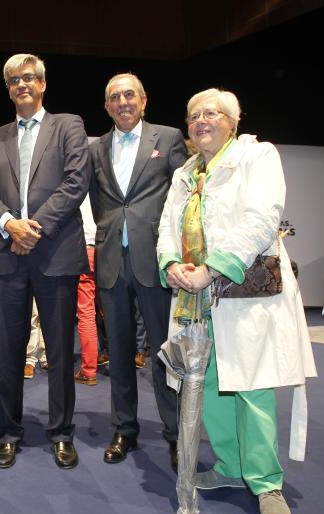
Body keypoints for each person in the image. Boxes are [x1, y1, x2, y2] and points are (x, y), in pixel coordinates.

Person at [156, 88, 317, 514]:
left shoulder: (257, 156)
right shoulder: (186, 172)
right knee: (207, 383)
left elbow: (262, 217)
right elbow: (168, 225)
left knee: (252, 385)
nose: (201, 121)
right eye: (193, 116)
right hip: (193, 294)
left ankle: (266, 482)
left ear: (233, 120)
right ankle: (229, 466)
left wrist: (211, 269)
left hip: (240, 291)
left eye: (211, 113)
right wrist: (170, 263)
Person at [0, 53, 90, 470]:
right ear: (8, 88)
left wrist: (34, 228)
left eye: (29, 78)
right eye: (13, 80)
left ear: (43, 84)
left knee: (61, 352)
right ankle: (7, 431)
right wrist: (11, 224)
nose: (21, 85)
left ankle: (61, 433)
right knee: (8, 351)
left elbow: (76, 181)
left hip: (54, 253)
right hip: (9, 254)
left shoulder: (68, 125)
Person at [89, 73, 186, 470]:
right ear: (108, 106)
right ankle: (124, 429)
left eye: (129, 95)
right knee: (121, 353)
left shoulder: (168, 137)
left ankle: (176, 434)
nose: (122, 102)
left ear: (143, 101)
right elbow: (100, 203)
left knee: (164, 352)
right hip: (112, 262)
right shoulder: (97, 149)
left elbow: (183, 196)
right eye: (114, 97)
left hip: (156, 261)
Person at [74, 196, 99, 386]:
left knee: (84, 311)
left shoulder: (74, 189)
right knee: (93, 310)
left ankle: (89, 369)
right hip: (100, 249)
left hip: (80, 249)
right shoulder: (98, 185)